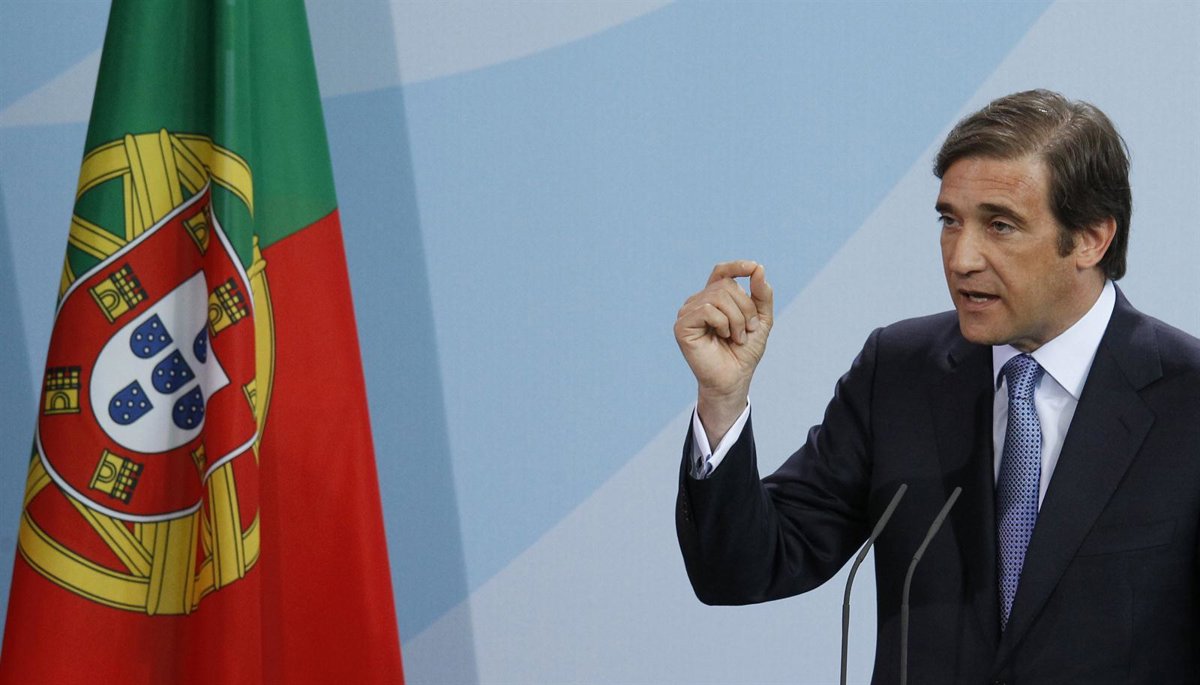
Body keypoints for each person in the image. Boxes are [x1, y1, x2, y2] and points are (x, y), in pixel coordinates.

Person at [673, 89, 1200, 684]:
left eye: (1000, 225)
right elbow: (742, 568)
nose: (961, 258)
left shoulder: (1188, 402)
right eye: (950, 221)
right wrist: (722, 400)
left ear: (1090, 239)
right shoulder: (899, 372)